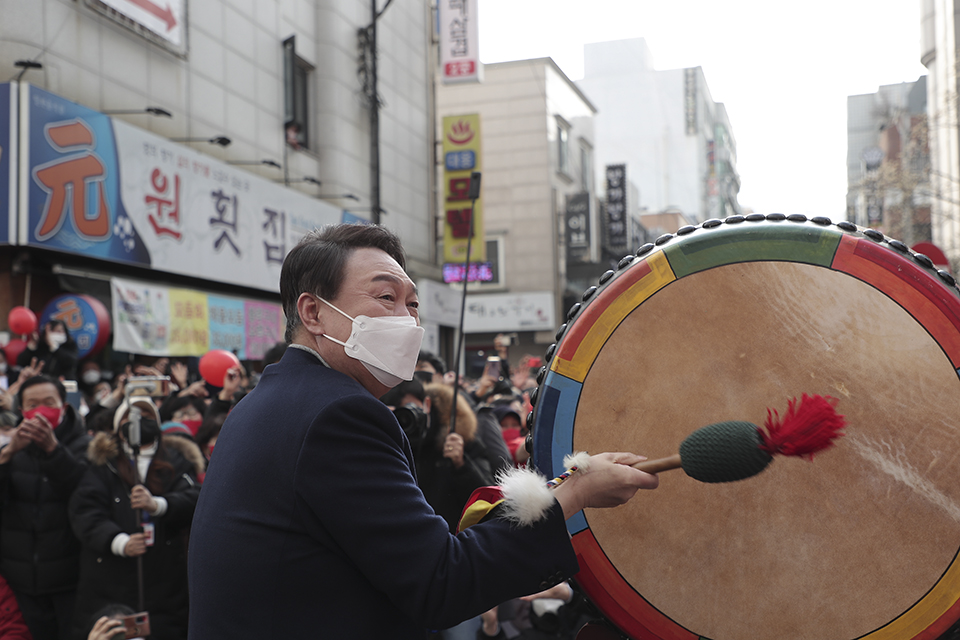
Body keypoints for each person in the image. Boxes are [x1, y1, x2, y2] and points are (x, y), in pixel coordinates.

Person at [187, 224, 659, 639]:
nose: (408, 320)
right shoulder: (340, 414)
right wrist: (577, 492)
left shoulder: (266, 401)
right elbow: (440, 583)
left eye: (413, 305)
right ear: (313, 313)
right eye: (386, 298)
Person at [69, 397, 201, 640]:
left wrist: (159, 505)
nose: (139, 423)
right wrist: (119, 541)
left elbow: (195, 499)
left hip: (165, 582)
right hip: (112, 582)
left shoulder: (177, 460)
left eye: (147, 417)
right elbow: (85, 511)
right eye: (131, 418)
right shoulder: (102, 465)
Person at [0, 375, 91, 640]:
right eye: (33, 404)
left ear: (63, 406)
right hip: (20, 580)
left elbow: (82, 495)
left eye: (48, 402)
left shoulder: (83, 446)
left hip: (69, 579)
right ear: (21, 410)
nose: (41, 410)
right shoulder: (12, 450)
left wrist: (53, 451)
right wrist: (7, 456)